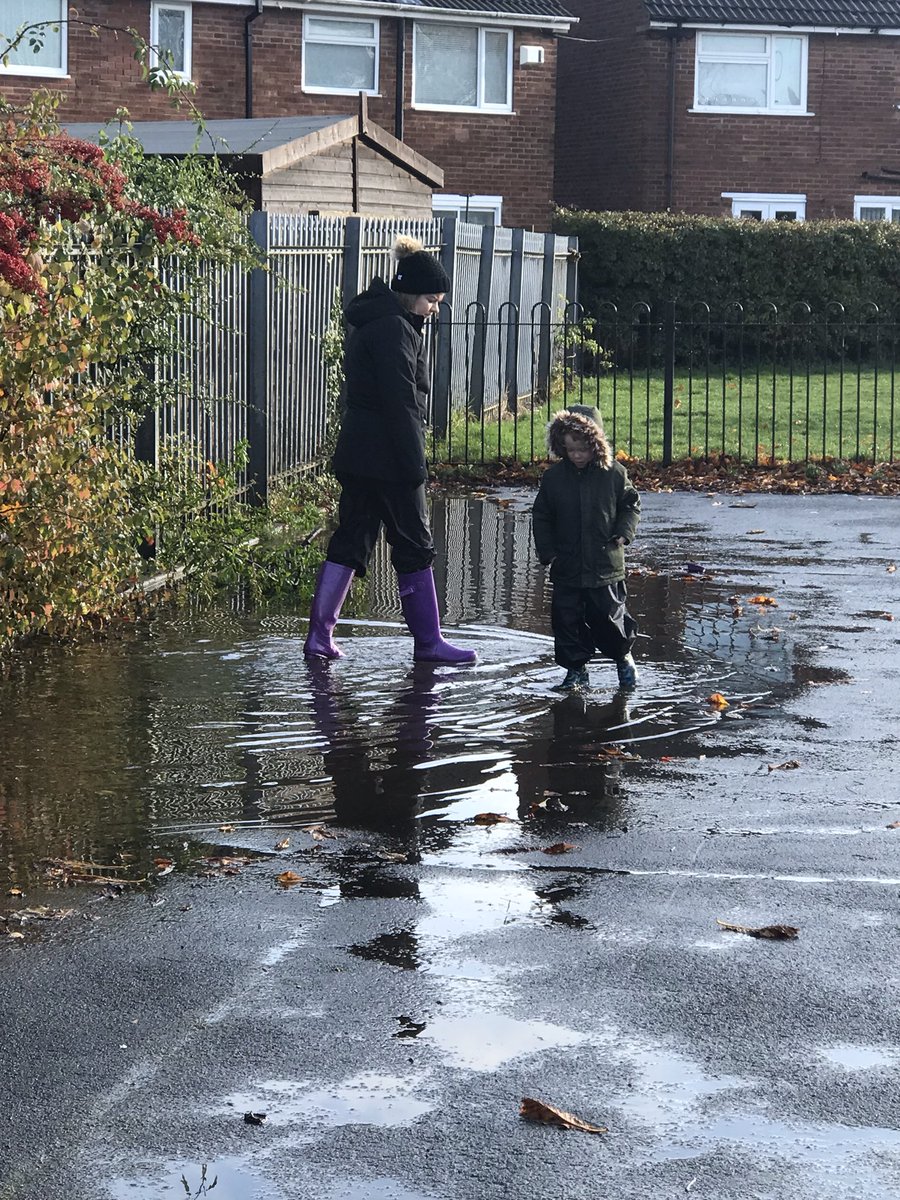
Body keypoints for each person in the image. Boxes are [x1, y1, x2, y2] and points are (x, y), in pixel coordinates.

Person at [304, 237, 476, 665]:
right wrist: (415, 464)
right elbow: (401, 402)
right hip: (390, 457)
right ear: (410, 294)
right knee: (414, 544)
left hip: (359, 453)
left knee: (352, 538)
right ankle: (429, 642)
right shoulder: (395, 329)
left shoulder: (377, 320)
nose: (434, 309)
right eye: (431, 300)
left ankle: (320, 636)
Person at [532, 405, 641, 691]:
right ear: (562, 447)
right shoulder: (555, 478)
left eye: (582, 449)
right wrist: (548, 551)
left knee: (609, 618)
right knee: (567, 621)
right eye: (570, 450)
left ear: (596, 445)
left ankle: (623, 658)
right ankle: (576, 670)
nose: (577, 455)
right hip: (567, 564)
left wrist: (624, 533)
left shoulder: (614, 474)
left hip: (605, 565)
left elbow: (630, 505)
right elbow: (542, 515)